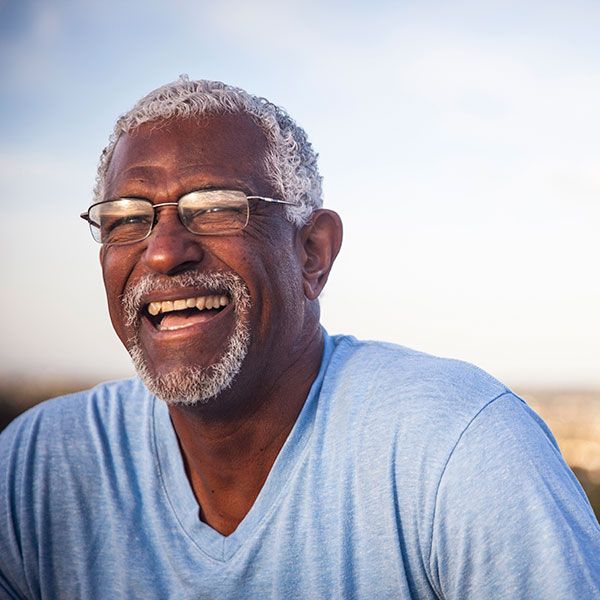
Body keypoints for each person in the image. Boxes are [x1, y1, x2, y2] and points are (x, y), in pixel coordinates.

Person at [0, 76, 598, 600]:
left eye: (215, 208)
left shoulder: (459, 451)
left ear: (312, 253)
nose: (161, 250)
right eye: (127, 218)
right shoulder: (38, 469)